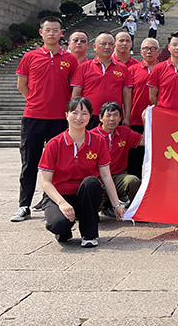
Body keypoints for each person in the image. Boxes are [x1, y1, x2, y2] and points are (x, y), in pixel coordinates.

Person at [12, 16, 78, 222]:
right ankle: (24, 205)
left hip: (59, 119)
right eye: (48, 29)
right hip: (33, 117)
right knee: (29, 162)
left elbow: (73, 88)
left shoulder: (70, 59)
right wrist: (34, 100)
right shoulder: (30, 57)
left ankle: (51, 201)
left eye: (55, 30)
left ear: (61, 33)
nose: (51, 33)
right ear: (41, 32)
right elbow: (21, 85)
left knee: (58, 164)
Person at [39, 97, 124, 247]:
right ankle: (64, 231)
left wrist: (117, 205)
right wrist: (62, 203)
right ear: (66, 115)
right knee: (58, 224)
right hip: (60, 195)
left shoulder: (98, 141)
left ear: (90, 117)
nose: (79, 118)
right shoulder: (54, 144)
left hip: (85, 195)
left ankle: (89, 235)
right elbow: (45, 181)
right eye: (74, 112)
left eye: (84, 113)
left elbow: (106, 175)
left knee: (92, 182)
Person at [71, 32, 133, 130]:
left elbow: (127, 94)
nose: (107, 47)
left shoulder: (123, 68)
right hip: (89, 116)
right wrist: (74, 115)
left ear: (114, 47)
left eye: (110, 44)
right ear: (94, 47)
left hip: (113, 117)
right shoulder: (84, 67)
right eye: (103, 44)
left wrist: (127, 117)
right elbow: (76, 93)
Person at [91, 101, 143, 214]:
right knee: (94, 204)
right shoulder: (91, 136)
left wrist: (146, 121)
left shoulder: (125, 132)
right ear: (100, 118)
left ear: (120, 118)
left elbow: (144, 141)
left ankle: (135, 210)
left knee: (133, 181)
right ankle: (106, 206)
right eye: (108, 115)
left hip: (118, 177)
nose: (112, 119)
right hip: (99, 179)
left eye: (116, 115)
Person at [127, 37, 160, 176]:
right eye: (146, 48)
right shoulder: (132, 70)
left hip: (159, 122)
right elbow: (127, 95)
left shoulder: (163, 69)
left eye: (153, 49)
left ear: (158, 51)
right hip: (136, 120)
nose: (149, 51)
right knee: (136, 157)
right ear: (141, 51)